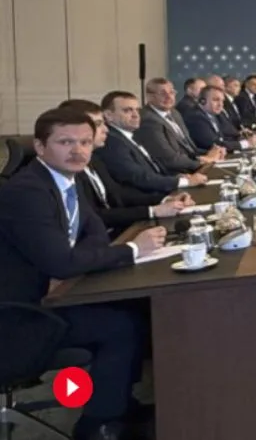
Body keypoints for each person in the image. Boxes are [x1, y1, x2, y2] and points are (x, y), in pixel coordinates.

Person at [0, 108, 166, 440]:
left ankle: (121, 403)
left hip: (53, 291)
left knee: (136, 308)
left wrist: (74, 259)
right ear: (40, 146)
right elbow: (62, 262)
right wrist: (133, 249)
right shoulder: (27, 191)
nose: (78, 151)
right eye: (65, 142)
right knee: (121, 326)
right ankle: (97, 426)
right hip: (19, 315)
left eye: (85, 142)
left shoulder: (65, 180)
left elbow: (95, 233)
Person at [59, 99, 192, 233]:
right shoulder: (68, 169)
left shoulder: (94, 159)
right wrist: (152, 211)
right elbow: (95, 215)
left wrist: (165, 199)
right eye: (98, 124)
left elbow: (119, 194)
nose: (105, 129)